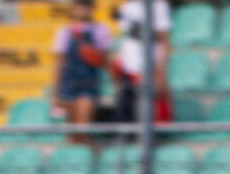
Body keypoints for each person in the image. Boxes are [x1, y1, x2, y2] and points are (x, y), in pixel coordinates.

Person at [52, 0, 114, 146]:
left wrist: (95, 56)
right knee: (72, 134)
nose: (82, 9)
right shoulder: (65, 32)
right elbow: (60, 63)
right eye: (79, 6)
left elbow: (106, 60)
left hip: (88, 84)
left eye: (86, 5)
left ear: (92, 8)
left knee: (83, 129)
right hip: (69, 84)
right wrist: (56, 91)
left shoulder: (100, 30)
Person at [113, 0, 174, 127]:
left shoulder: (159, 6)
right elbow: (126, 36)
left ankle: (153, 140)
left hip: (151, 61)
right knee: (126, 105)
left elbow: (164, 38)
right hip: (130, 63)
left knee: (151, 105)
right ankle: (127, 141)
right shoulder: (128, 6)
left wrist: (162, 67)